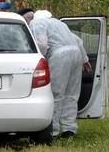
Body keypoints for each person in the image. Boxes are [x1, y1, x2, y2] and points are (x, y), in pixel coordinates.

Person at [26, 9, 92, 139]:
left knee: (56, 93)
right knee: (72, 94)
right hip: (76, 54)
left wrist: (39, 59)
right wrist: (85, 60)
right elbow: (78, 41)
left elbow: (42, 44)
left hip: (59, 55)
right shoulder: (59, 24)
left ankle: (53, 130)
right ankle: (69, 129)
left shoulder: (37, 23)